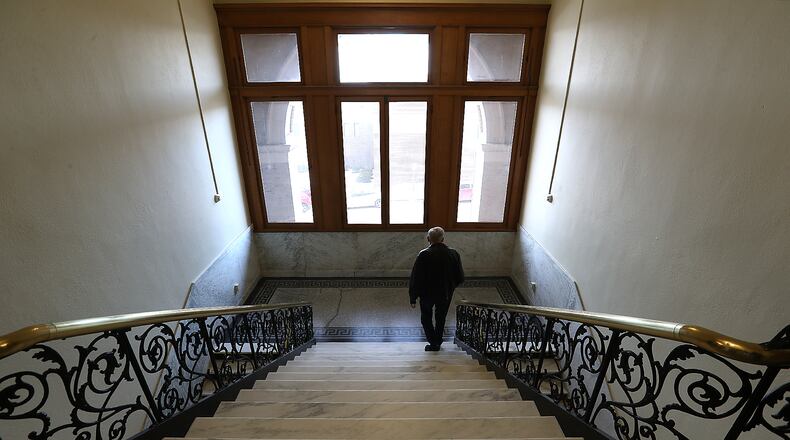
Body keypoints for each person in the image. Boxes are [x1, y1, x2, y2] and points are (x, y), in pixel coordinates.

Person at [409, 226, 465, 351]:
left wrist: (413, 297)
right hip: (445, 293)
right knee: (441, 318)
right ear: (443, 239)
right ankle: (438, 341)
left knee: (426, 318)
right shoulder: (454, 253)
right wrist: (450, 286)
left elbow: (416, 278)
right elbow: (460, 277)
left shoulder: (423, 254)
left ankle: (433, 342)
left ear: (428, 239)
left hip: (426, 294)